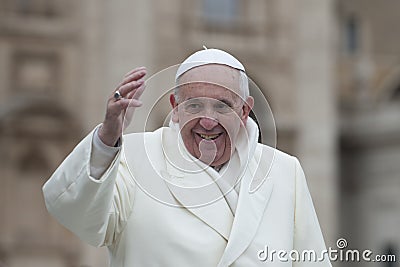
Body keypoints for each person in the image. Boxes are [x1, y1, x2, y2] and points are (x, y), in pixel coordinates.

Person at [43, 48, 332, 266]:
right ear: (176, 107)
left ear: (245, 111)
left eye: (222, 107)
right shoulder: (134, 158)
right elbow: (78, 216)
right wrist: (106, 139)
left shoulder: (284, 171)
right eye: (194, 106)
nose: (208, 121)